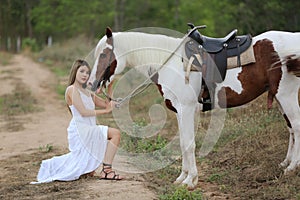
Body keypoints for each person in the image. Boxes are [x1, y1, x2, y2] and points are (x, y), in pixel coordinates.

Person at [31, 59, 123, 184]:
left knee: (85, 169)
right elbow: (84, 112)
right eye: (82, 71)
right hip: (81, 130)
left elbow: (107, 104)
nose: (85, 75)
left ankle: (93, 169)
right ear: (75, 72)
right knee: (115, 134)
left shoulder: (88, 92)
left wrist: (110, 87)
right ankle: (107, 170)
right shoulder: (71, 90)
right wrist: (106, 112)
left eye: (87, 72)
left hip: (89, 128)